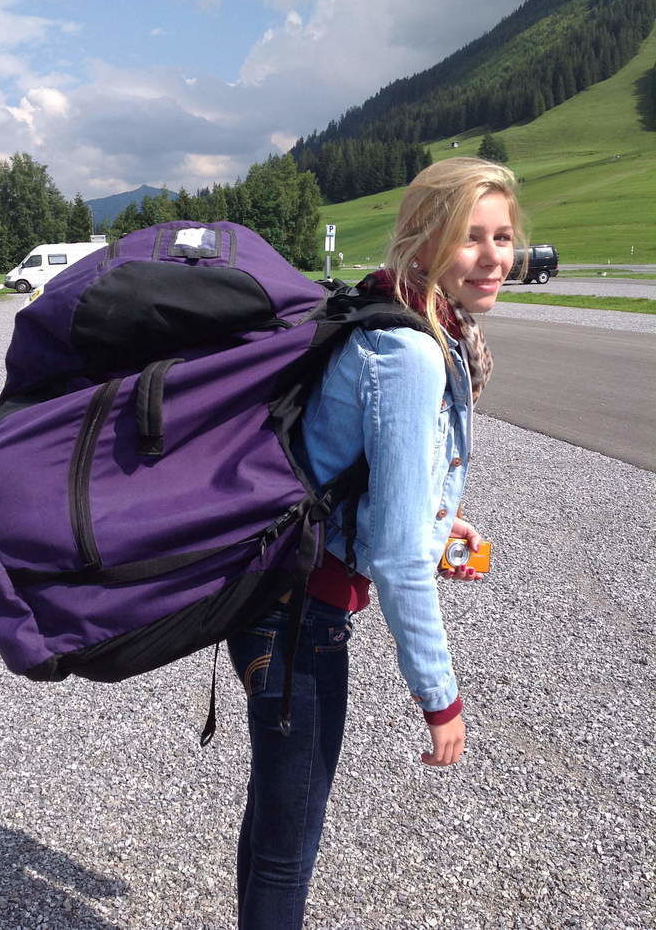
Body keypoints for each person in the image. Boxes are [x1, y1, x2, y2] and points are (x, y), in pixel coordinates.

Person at [226, 156, 523, 928]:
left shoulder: (397, 317)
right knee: (290, 840)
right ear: (423, 240)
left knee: (276, 816)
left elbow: (371, 480)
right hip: (297, 619)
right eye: (469, 237)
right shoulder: (410, 351)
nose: (493, 256)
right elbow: (394, 559)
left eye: (502, 236)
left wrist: (438, 521)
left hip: (278, 602)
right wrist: (439, 696)